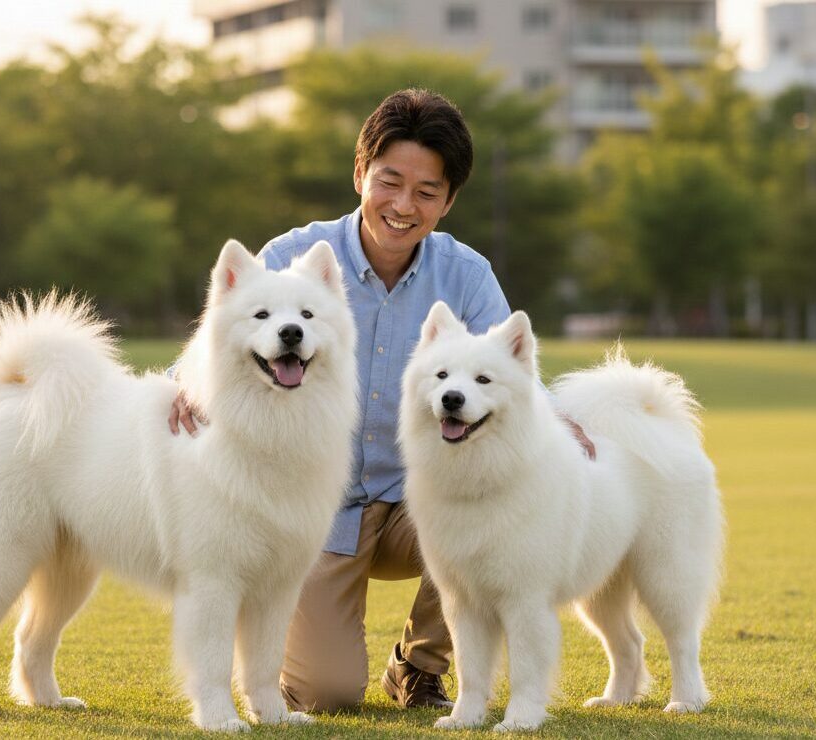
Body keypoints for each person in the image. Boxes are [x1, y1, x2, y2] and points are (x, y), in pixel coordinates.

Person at [168, 88, 594, 712]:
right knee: (326, 692)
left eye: (427, 192)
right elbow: (226, 330)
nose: (403, 206)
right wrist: (183, 382)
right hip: (316, 509)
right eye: (389, 182)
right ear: (360, 174)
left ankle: (419, 664)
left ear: (448, 201)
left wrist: (560, 424)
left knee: (502, 509)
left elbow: (509, 380)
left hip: (418, 505)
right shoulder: (295, 257)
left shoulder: (467, 276)